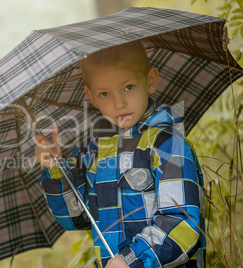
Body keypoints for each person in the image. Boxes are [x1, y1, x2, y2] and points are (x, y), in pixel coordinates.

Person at [34, 41, 206, 267]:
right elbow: (77, 218)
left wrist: (133, 258)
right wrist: (55, 167)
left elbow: (182, 221)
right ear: (91, 97)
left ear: (150, 81)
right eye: (105, 93)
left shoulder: (167, 144)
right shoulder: (95, 152)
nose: (119, 103)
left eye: (128, 87)